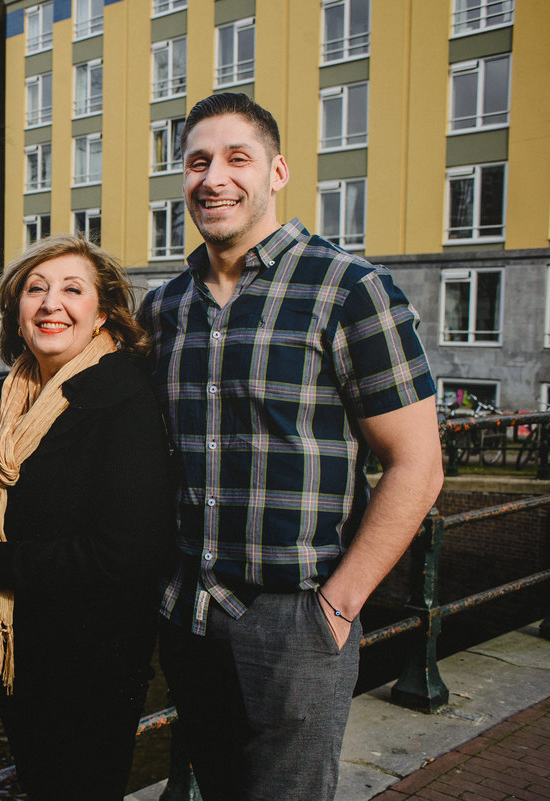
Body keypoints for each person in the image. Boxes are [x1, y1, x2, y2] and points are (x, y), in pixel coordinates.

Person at [138, 92, 445, 801]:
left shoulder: (350, 291)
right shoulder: (165, 308)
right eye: (196, 162)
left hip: (296, 619)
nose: (213, 177)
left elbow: (418, 465)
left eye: (235, 158)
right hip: (189, 611)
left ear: (277, 173)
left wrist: (338, 605)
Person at [0, 234, 175, 801]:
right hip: (20, 654)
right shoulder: (4, 397)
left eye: (72, 290)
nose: (51, 303)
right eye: (36, 289)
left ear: (102, 312)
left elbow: (127, 551)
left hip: (92, 661)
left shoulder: (123, 393)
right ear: (17, 311)